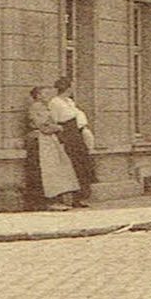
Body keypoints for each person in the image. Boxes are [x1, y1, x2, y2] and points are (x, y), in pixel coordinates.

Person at [26, 86, 80, 209]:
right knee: (48, 170)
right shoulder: (37, 107)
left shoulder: (45, 106)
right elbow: (43, 126)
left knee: (55, 169)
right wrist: (58, 128)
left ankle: (56, 198)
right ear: (38, 95)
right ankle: (49, 200)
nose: (48, 96)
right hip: (42, 141)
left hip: (49, 141)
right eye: (45, 93)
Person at [48, 77, 94, 206]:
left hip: (77, 134)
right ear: (67, 88)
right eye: (72, 87)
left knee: (82, 165)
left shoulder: (69, 101)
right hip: (67, 135)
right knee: (72, 166)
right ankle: (70, 198)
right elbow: (55, 120)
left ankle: (79, 198)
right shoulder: (55, 102)